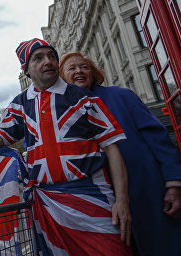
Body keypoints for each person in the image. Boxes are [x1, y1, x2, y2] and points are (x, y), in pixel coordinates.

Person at [0, 38, 131, 255]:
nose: (48, 61)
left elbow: (112, 147)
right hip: (48, 204)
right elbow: (1, 134)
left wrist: (122, 201)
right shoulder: (20, 104)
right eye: (38, 58)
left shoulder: (83, 98)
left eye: (52, 56)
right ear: (26, 70)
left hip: (92, 198)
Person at [60, 51, 181, 255]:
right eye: (72, 68)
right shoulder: (64, 113)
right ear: (62, 78)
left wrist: (174, 183)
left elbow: (158, 139)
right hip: (103, 208)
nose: (79, 71)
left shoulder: (121, 96)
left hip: (149, 196)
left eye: (84, 67)